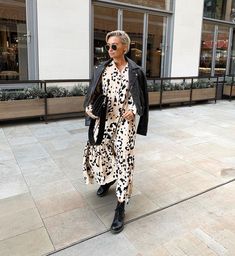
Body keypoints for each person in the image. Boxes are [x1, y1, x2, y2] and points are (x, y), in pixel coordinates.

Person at [83, 30, 148, 234]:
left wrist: (134, 110)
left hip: (124, 124)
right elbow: (93, 92)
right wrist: (89, 108)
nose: (109, 50)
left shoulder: (136, 71)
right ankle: (109, 178)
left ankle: (120, 206)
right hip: (104, 121)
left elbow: (142, 100)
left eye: (114, 46)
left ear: (125, 48)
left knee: (124, 159)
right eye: (108, 46)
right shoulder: (102, 68)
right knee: (100, 152)